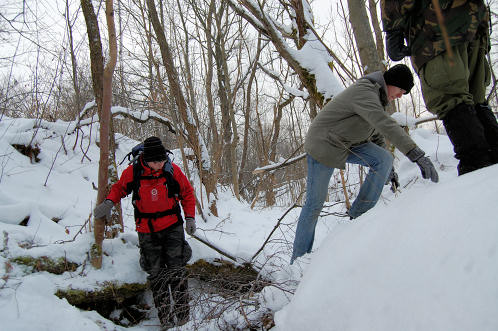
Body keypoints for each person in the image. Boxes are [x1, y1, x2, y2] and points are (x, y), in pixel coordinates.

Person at [291, 64, 439, 264]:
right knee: (314, 205)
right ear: (392, 83)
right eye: (401, 90)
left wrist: (389, 170)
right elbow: (384, 124)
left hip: (345, 144)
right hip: (323, 144)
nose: (401, 96)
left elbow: (376, 134)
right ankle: (299, 259)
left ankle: (359, 217)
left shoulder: (377, 98)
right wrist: (416, 154)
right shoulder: (365, 91)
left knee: (384, 159)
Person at [381, 0, 498, 175]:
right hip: (474, 20)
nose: (398, 97)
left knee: (448, 96)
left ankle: (477, 169)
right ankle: (491, 167)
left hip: (436, 26)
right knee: (474, 98)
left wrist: (392, 27)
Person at [94, 136, 196, 329]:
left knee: (177, 270)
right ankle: (166, 319)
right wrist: (108, 203)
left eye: (162, 160)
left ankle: (183, 318)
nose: (159, 165)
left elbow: (187, 193)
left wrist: (190, 217)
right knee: (156, 274)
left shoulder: (172, 170)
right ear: (146, 159)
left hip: (173, 227)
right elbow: (119, 188)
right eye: (155, 161)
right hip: (147, 230)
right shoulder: (134, 171)